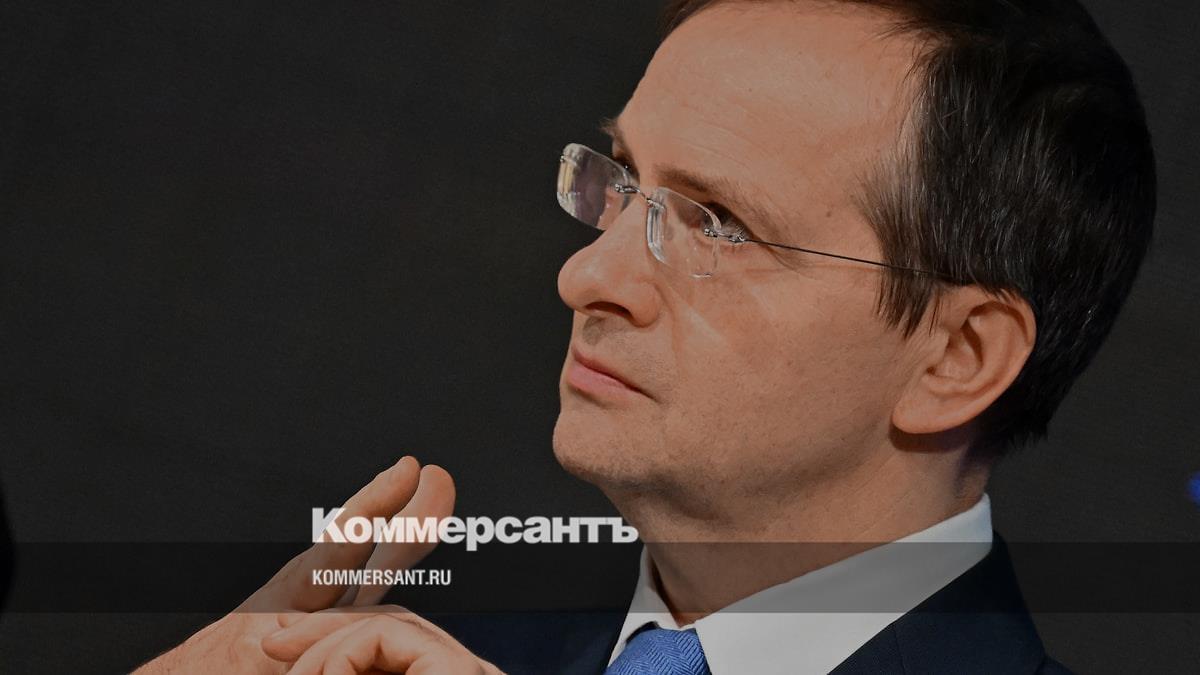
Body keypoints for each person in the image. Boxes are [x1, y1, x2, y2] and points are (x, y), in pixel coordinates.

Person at [133, 0, 1155, 672]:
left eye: (719, 224)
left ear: (957, 358)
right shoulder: (414, 651)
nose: (586, 276)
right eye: (621, 184)